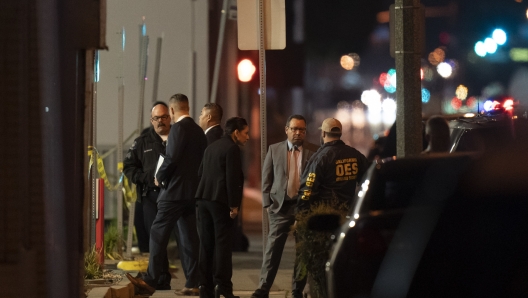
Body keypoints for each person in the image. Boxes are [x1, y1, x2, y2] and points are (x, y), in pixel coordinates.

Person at [126, 93, 207, 296]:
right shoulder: (199, 131)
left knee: (157, 232)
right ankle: (193, 282)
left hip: (173, 193)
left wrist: (159, 177)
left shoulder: (178, 129)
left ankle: (151, 280)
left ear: (172, 111)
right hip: (192, 193)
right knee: (189, 238)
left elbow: (172, 158)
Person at [251, 115, 319, 298]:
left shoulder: (314, 151)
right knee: (273, 249)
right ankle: (263, 287)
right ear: (286, 129)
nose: (298, 133)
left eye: (302, 130)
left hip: (303, 207)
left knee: (302, 250)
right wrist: (267, 205)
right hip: (280, 207)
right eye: (295, 129)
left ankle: (297, 290)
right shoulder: (274, 150)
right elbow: (266, 179)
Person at [195, 117, 249, 298]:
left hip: (203, 200)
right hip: (220, 202)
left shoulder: (212, 146)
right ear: (236, 133)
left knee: (206, 245)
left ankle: (205, 288)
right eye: (245, 133)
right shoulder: (232, 149)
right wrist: (234, 205)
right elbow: (232, 179)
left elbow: (200, 173)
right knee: (223, 247)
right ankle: (224, 289)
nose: (247, 137)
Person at [124, 102, 170, 255]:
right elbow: (129, 167)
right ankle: (158, 275)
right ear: (151, 120)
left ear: (170, 118)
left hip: (175, 195)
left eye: (163, 117)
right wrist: (147, 178)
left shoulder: (178, 140)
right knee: (154, 238)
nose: (160, 121)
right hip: (151, 196)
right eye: (156, 118)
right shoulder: (142, 142)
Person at [296, 118, 369, 213]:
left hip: (326, 216)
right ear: (340, 134)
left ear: (323, 133)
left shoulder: (319, 158)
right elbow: (368, 179)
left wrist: (301, 214)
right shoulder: (355, 155)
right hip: (349, 213)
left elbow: (307, 189)